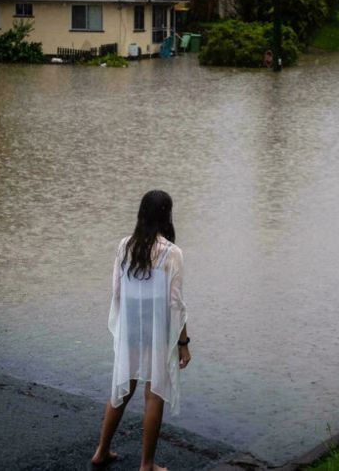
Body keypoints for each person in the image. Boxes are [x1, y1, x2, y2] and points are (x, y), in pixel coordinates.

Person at [92, 190, 190, 471]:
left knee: (123, 388)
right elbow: (176, 304)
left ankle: (101, 451)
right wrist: (183, 342)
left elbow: (117, 292)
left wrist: (127, 325)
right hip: (157, 329)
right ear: (166, 216)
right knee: (154, 393)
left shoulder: (125, 246)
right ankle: (147, 464)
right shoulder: (172, 253)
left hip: (132, 327)